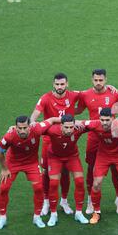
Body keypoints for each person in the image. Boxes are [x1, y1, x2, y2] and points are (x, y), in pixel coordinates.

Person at [0, 115, 60, 230]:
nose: (22, 130)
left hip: (31, 163)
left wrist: (72, 121)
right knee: (4, 188)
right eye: (20, 128)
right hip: (13, 163)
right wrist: (4, 169)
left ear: (30, 126)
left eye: (25, 128)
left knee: (39, 188)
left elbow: (52, 120)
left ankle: (37, 217)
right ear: (15, 127)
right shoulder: (9, 136)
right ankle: (2, 218)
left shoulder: (37, 129)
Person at [75, 69, 118, 215]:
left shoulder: (114, 93)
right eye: (96, 80)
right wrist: (61, 113)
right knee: (91, 167)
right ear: (92, 80)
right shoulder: (85, 95)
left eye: (101, 80)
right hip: (94, 137)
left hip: (113, 136)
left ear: (105, 80)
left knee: (116, 167)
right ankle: (91, 199)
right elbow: (78, 110)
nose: (98, 83)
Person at [30, 73, 80, 216]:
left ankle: (64, 201)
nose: (59, 87)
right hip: (49, 140)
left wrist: (110, 87)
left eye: (62, 84)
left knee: (65, 170)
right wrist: (32, 125)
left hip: (67, 138)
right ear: (53, 84)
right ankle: (46, 201)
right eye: (57, 84)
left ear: (67, 84)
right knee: (46, 172)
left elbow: (91, 93)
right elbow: (34, 116)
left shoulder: (73, 95)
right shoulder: (45, 98)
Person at [80, 108, 118, 225]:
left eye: (107, 120)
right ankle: (96, 212)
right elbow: (77, 122)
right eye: (102, 120)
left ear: (113, 118)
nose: (104, 123)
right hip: (103, 156)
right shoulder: (95, 124)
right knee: (96, 183)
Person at [43, 115, 90, 227]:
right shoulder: (52, 130)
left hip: (72, 157)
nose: (69, 130)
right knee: (53, 183)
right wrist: (14, 128)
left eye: (71, 127)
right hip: (55, 158)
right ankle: (53, 214)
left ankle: (78, 213)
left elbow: (97, 124)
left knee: (79, 181)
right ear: (61, 126)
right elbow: (33, 129)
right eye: (66, 127)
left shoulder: (78, 128)